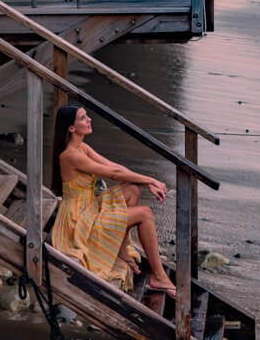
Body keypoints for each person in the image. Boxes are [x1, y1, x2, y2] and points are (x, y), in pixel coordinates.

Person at [49, 104, 176, 295]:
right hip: (78, 221)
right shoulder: (71, 156)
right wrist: (151, 180)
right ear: (71, 128)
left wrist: (146, 183)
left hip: (89, 208)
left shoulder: (82, 147)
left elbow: (115, 167)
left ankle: (122, 250)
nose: (89, 119)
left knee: (132, 189)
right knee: (145, 213)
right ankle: (158, 276)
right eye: (83, 118)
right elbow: (114, 174)